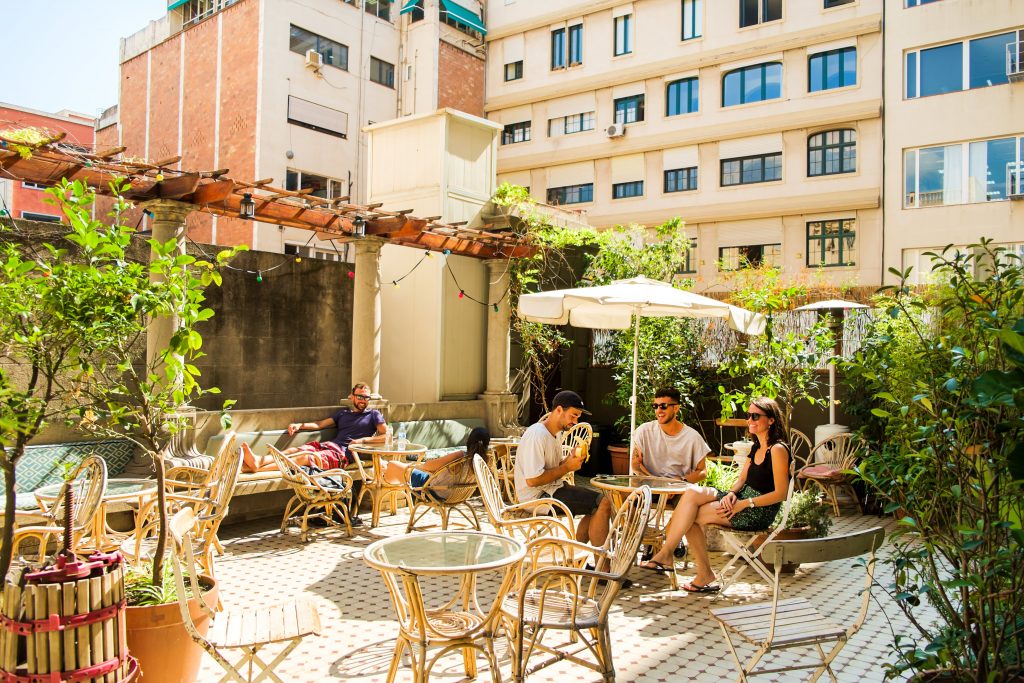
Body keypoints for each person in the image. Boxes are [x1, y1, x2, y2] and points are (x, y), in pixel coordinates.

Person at [638, 397, 790, 593]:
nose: (750, 420)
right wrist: (732, 494)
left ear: (771, 420)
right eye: (748, 415)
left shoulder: (777, 449)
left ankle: (681, 561)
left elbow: (781, 493)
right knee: (691, 492)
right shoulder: (757, 447)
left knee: (689, 515)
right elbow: (742, 480)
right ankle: (674, 557)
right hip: (739, 499)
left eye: (755, 416)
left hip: (757, 510)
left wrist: (745, 503)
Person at [514, 390, 614, 546]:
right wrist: (567, 467)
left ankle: (577, 555)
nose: (575, 422)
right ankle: (601, 564)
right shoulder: (537, 435)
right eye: (573, 416)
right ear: (559, 410)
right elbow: (532, 480)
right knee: (604, 503)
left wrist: (568, 461)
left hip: (552, 489)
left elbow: (552, 469)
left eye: (578, 417)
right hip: (537, 498)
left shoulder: (557, 433)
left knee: (601, 503)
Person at [241, 382, 387, 473]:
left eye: (366, 398)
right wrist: (300, 425)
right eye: (360, 397)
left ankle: (256, 466)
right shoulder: (343, 414)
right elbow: (320, 424)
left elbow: (385, 437)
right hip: (329, 447)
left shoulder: (373, 414)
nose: (363, 401)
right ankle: (259, 462)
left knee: (304, 458)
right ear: (352, 396)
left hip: (344, 456)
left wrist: (362, 441)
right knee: (294, 450)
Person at [631, 387, 710, 484]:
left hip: (679, 490)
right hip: (649, 487)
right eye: (655, 406)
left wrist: (681, 482)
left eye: (663, 406)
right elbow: (636, 465)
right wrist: (656, 484)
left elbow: (702, 471)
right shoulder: (644, 431)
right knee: (610, 497)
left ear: (676, 408)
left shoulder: (692, 437)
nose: (658, 410)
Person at [382, 427, 490, 494]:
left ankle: (382, 476)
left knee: (392, 465)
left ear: (468, 440)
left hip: (432, 490)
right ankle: (384, 471)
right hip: (457, 495)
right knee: (394, 468)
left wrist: (415, 465)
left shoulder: (460, 456)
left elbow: (428, 467)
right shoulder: (484, 461)